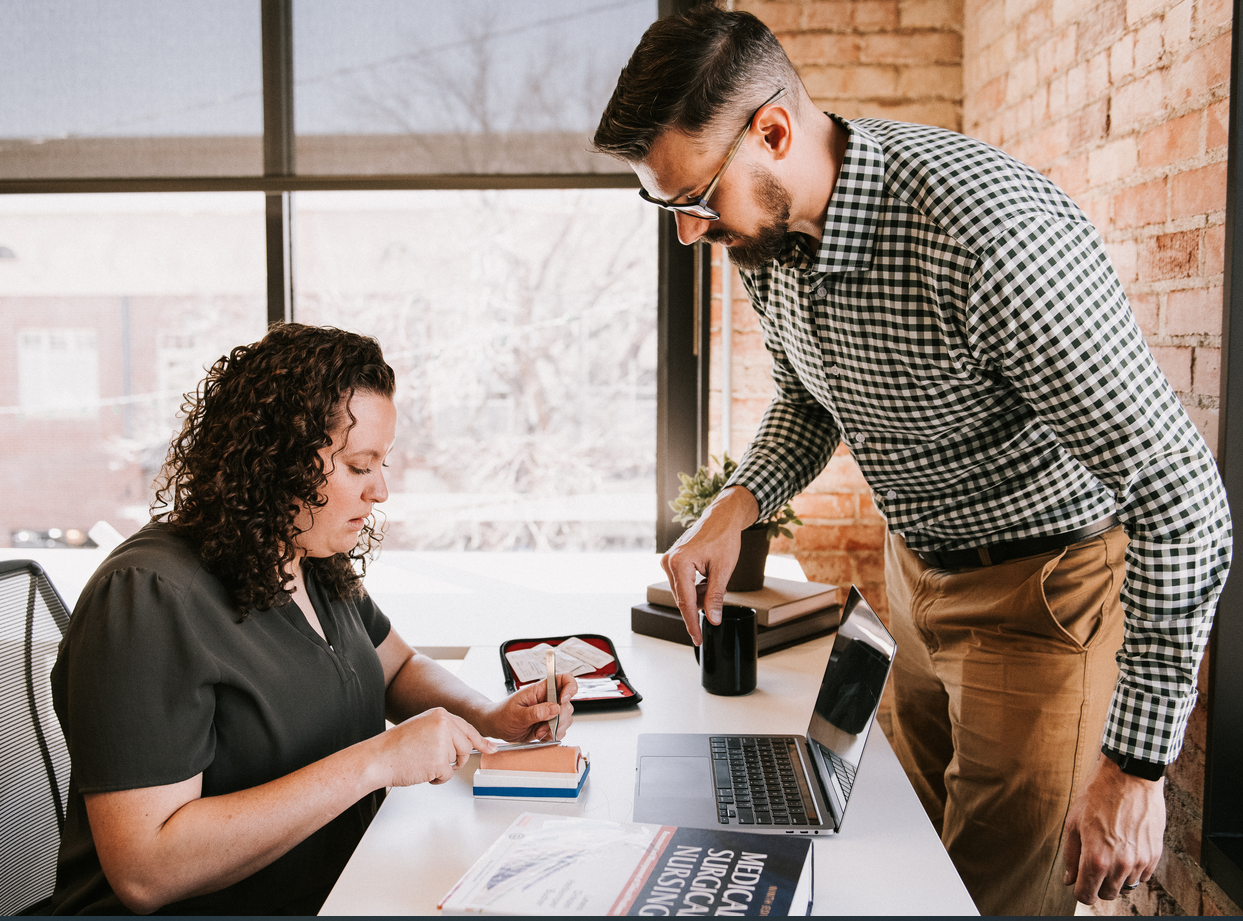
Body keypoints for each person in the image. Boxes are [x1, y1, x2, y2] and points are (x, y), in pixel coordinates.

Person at [592, 6, 1231, 917]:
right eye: (668, 208)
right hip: (915, 575)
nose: (688, 233)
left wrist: (1136, 765)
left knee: (983, 898)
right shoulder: (762, 235)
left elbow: (1180, 493)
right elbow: (809, 398)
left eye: (695, 200)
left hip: (1041, 595)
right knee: (906, 855)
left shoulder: (985, 234)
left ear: (772, 131)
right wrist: (735, 504)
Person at [48, 324, 577, 915]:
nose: (380, 491)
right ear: (275, 463)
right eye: (358, 466)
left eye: (383, 463)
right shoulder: (148, 597)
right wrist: (378, 760)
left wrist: (489, 716)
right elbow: (147, 871)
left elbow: (397, 666)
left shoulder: (307, 555)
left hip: (342, 890)